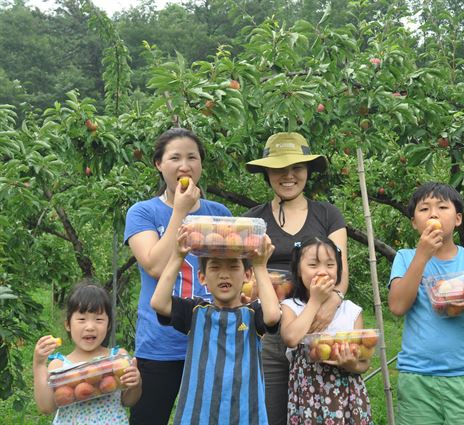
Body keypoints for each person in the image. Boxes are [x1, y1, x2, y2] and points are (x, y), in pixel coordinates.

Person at [124, 128, 232, 425]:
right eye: (175, 158)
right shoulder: (142, 212)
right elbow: (155, 267)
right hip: (160, 345)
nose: (184, 166)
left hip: (211, 342)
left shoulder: (218, 212)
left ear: (200, 165)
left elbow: (231, 274)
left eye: (192, 158)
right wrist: (180, 212)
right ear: (159, 164)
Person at [243, 131, 349, 425]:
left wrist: (328, 307)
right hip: (268, 333)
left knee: (317, 410)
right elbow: (244, 277)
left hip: (316, 328)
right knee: (271, 412)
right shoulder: (253, 219)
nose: (288, 176)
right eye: (279, 169)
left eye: (296, 168)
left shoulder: (327, 215)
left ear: (307, 172)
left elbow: (340, 274)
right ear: (267, 173)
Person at [387, 182, 464, 425]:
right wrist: (422, 255)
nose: (433, 214)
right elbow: (398, 307)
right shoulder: (406, 257)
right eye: (424, 209)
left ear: (458, 219)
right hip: (417, 378)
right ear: (413, 222)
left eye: (442, 207)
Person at [150, 227, 281, 424]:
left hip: (245, 415)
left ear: (247, 275)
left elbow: (272, 316)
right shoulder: (195, 312)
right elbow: (159, 303)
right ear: (202, 278)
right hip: (198, 416)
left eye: (233, 267)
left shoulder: (252, 314)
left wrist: (260, 266)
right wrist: (177, 256)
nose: (224, 275)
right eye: (215, 267)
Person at [280, 236, 372, 423]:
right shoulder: (291, 307)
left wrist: (351, 364)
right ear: (298, 270)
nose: (322, 272)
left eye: (330, 265)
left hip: (346, 399)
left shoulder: (351, 311)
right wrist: (315, 300)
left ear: (338, 270)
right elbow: (290, 338)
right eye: (313, 265)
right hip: (308, 401)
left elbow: (364, 363)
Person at [33, 282, 142, 424]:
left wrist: (136, 383)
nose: (90, 327)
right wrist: (39, 364)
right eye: (82, 319)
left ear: (108, 324)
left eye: (99, 319)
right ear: (68, 324)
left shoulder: (117, 359)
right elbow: (46, 407)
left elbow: (128, 401)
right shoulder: (59, 365)